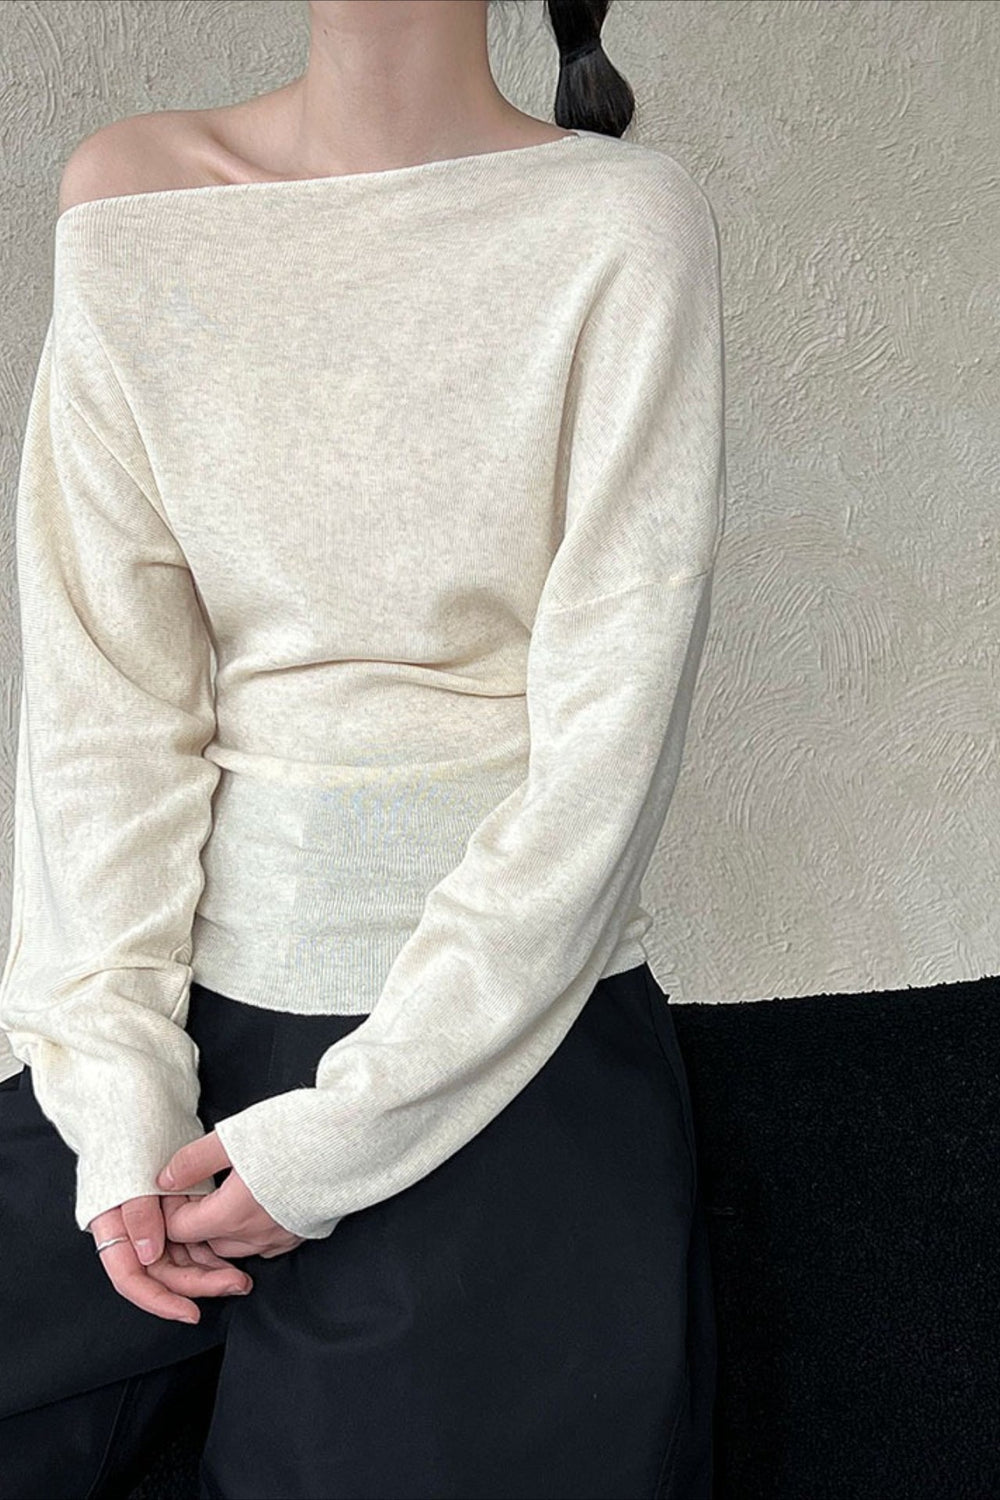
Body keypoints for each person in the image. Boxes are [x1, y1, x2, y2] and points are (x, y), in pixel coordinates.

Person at [0, 0, 725, 1495]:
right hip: (173, 1054)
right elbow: (105, 702)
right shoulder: (129, 198)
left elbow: (611, 744)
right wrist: (115, 1087)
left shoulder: (620, 222)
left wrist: (343, 1140)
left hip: (504, 1066)